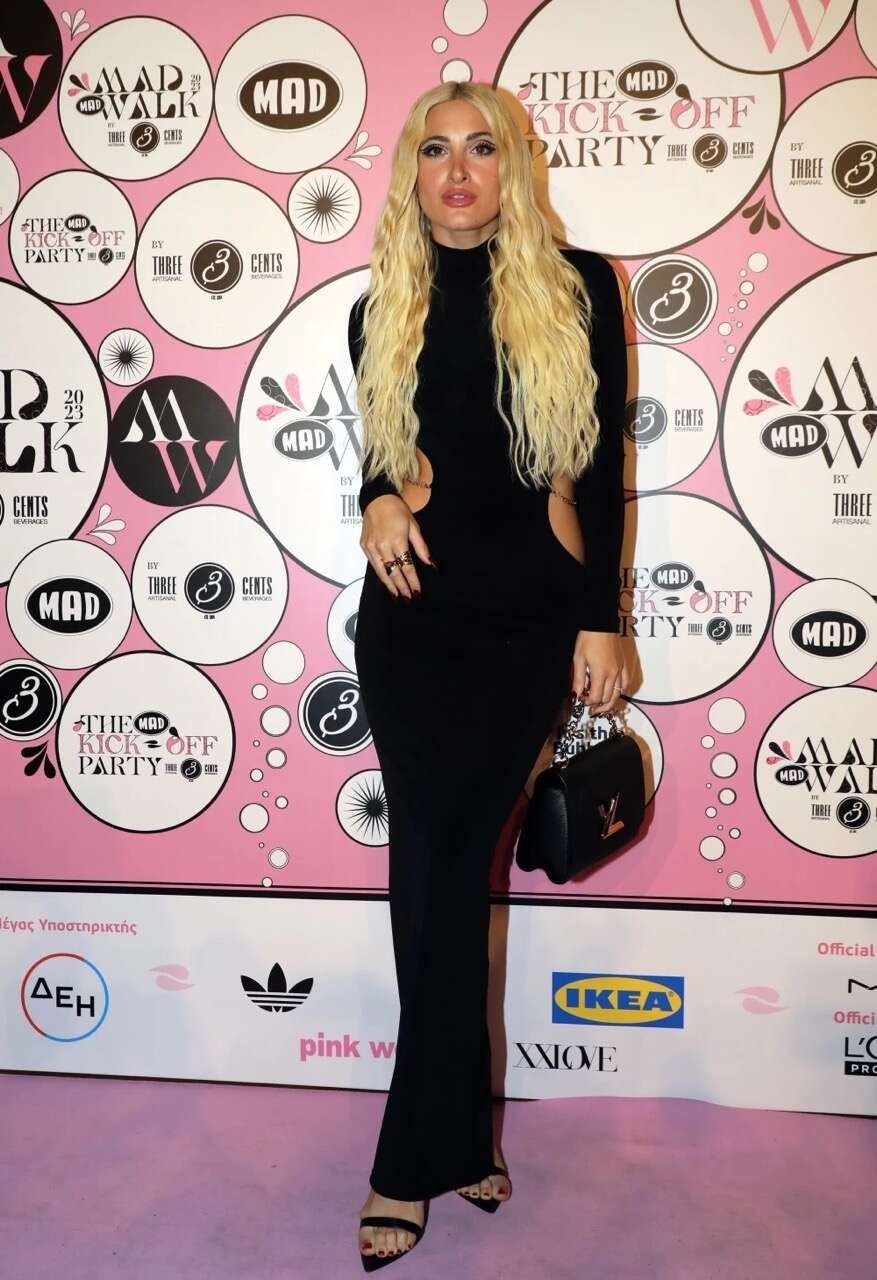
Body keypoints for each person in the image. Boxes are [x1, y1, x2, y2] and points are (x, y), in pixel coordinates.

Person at [349, 80, 629, 1269]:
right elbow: (382, 460)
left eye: (481, 148)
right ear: (410, 172)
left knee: (452, 881)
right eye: (434, 150)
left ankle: (430, 1149)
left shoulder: (579, 289)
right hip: (411, 622)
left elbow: (598, 472)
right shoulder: (381, 307)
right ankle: (441, 1144)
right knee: (434, 881)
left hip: (524, 626)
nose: (457, 170)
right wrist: (373, 500)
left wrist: (599, 621)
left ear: (512, 165)